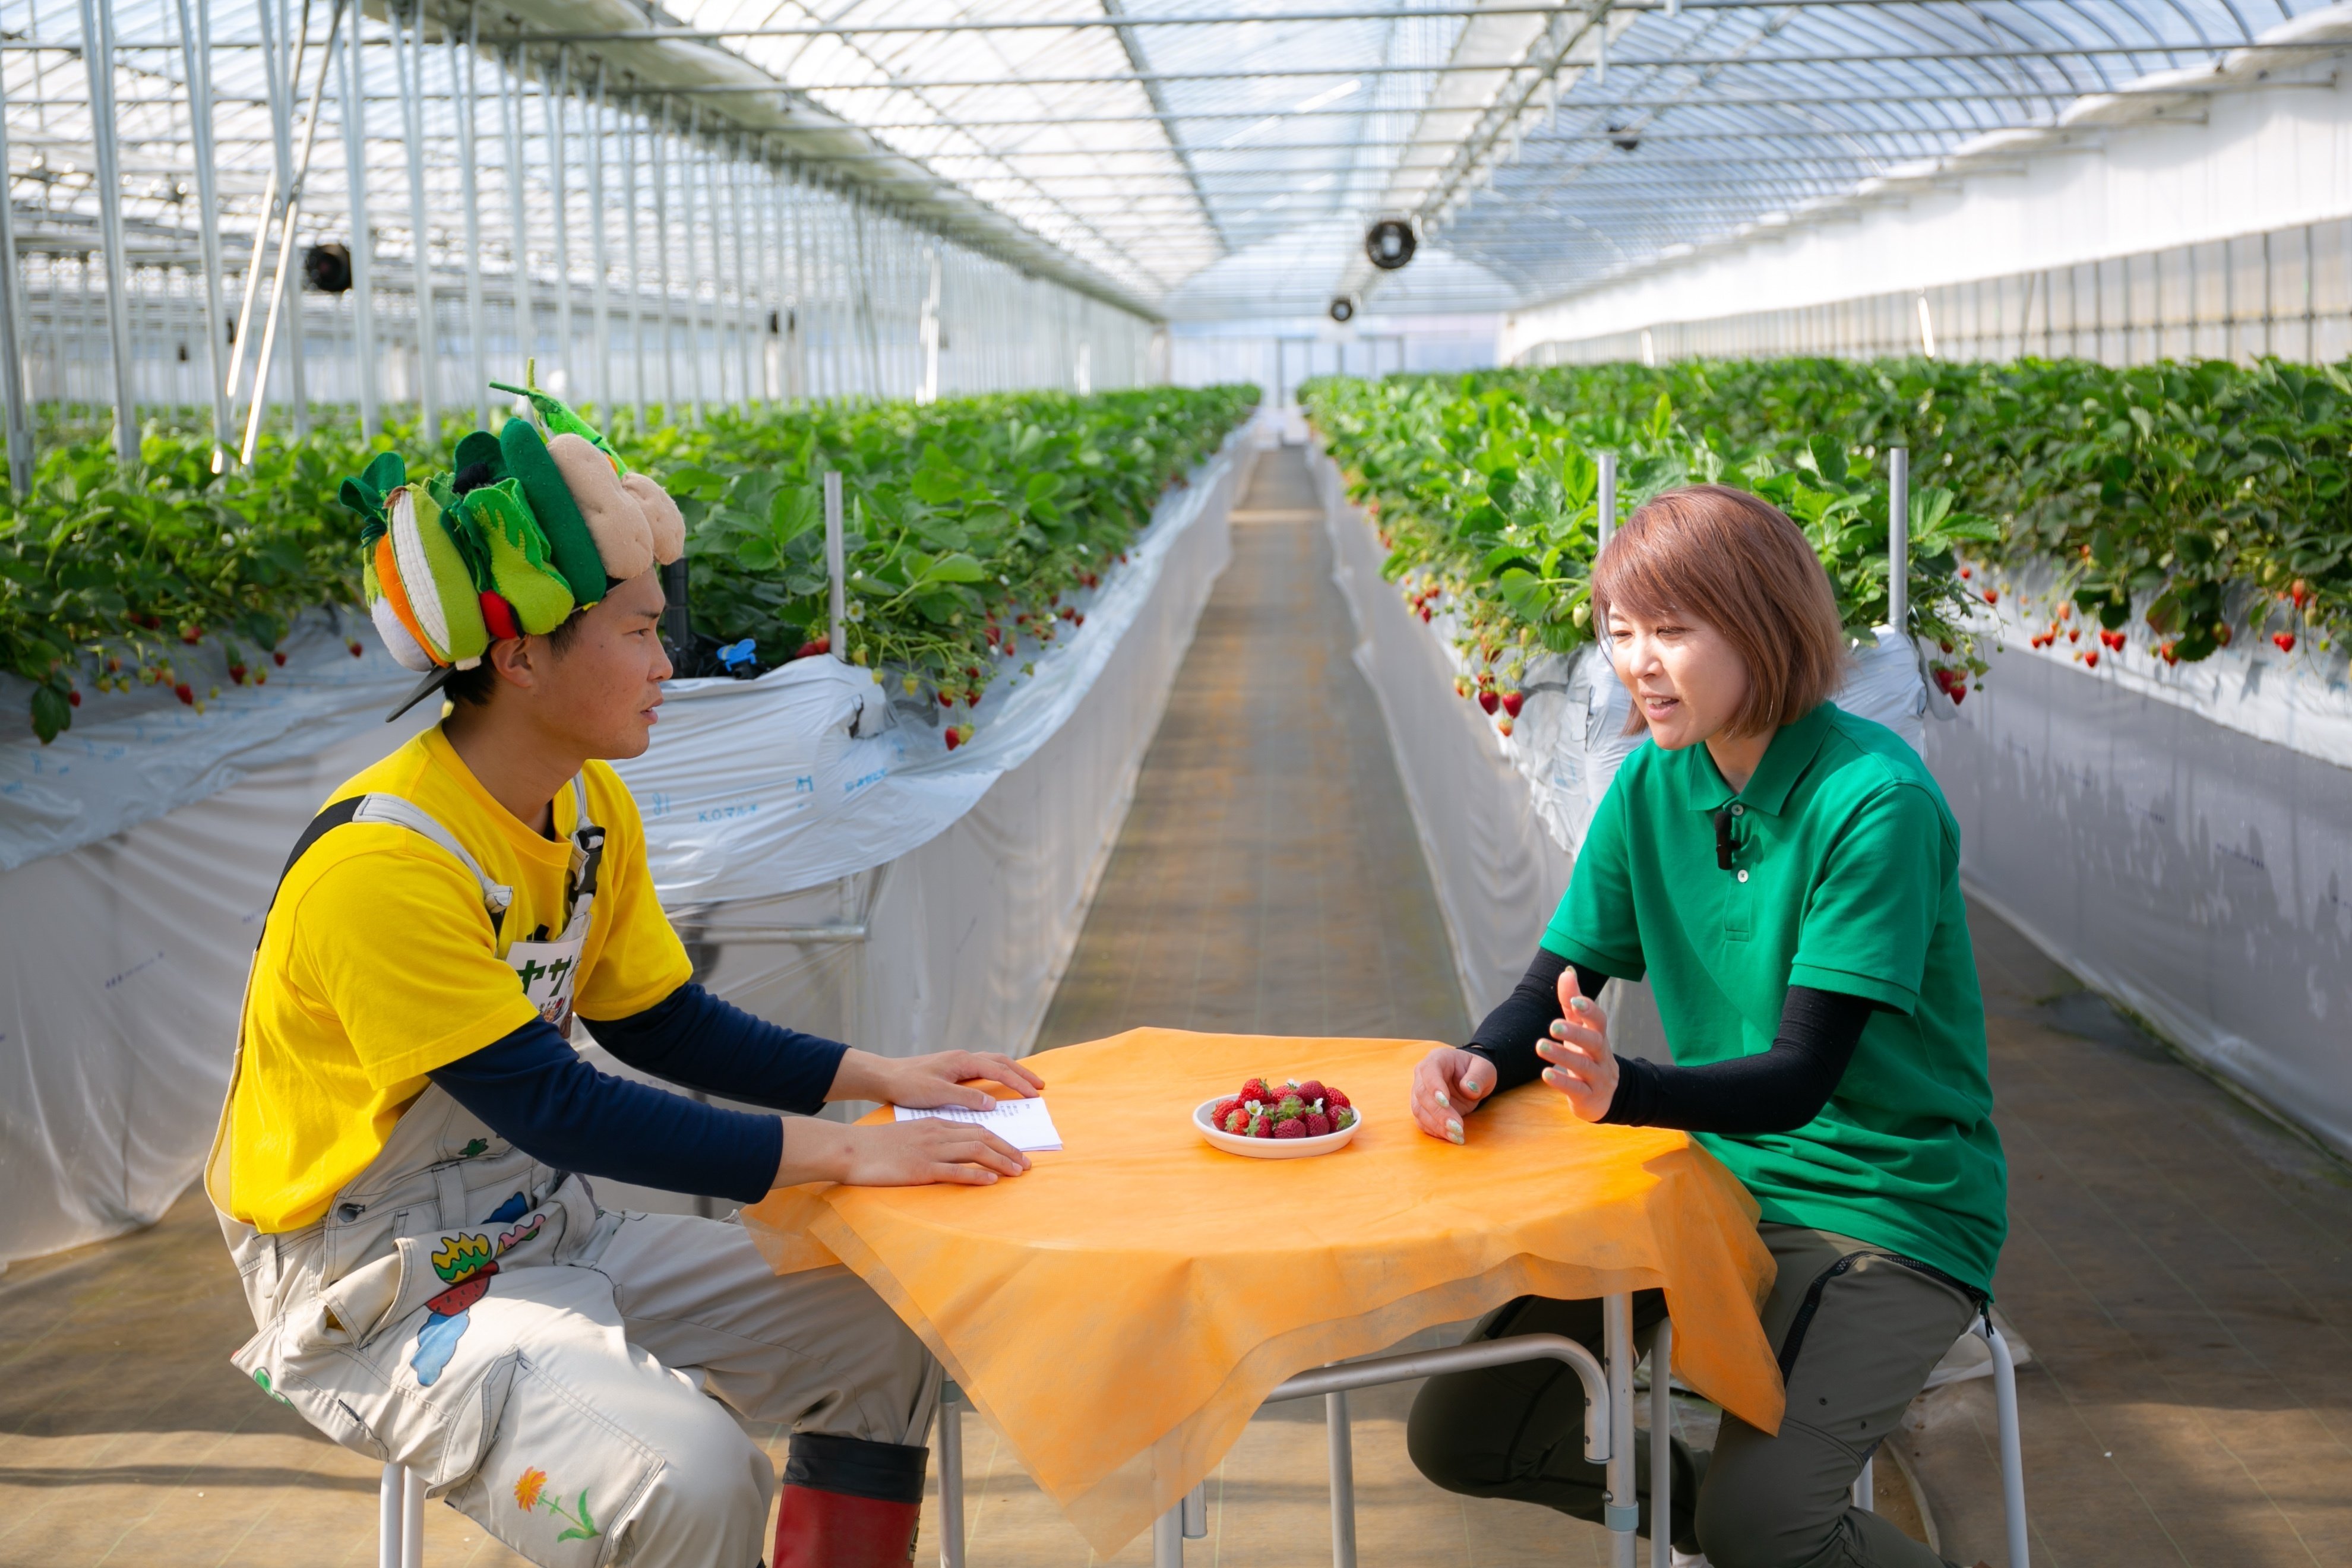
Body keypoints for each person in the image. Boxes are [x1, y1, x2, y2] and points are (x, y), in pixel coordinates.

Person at [206, 388, 1036, 1568]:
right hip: (377, 1291)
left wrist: (883, 1076)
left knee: (890, 1326)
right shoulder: (383, 867)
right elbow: (558, 1104)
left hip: (546, 1227)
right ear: (522, 656)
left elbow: (661, 1024)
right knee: (691, 1481)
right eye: (642, 633)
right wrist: (852, 1149)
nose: (671, 662)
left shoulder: (588, 809)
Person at [1401, 485, 2006, 1568]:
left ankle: (1764, 1534)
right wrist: (1481, 1063)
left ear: (1765, 628)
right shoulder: (1651, 784)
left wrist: (1627, 1091)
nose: (1638, 661)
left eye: (1673, 631)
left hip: (1886, 1204)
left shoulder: (1875, 801)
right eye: (1620, 631)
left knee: (1762, 1526)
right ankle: (1748, 1533)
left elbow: (1802, 1078)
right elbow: (1554, 985)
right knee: (1466, 1434)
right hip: (1710, 1175)